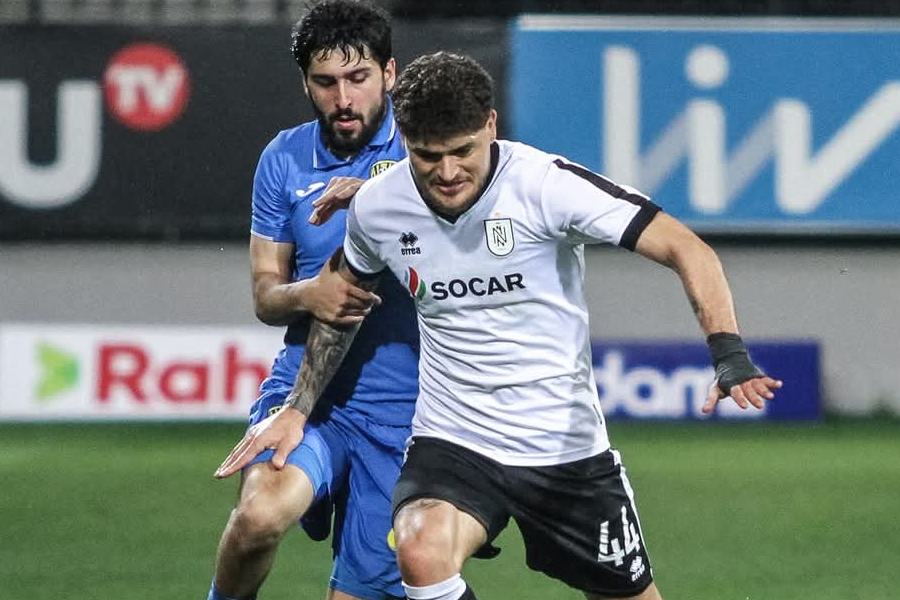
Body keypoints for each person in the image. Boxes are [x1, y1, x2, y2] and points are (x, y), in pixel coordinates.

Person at [216, 52, 783, 600]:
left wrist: (728, 353)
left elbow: (687, 248)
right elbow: (341, 309)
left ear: (490, 126)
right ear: (404, 138)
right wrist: (298, 408)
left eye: (462, 151)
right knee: (418, 546)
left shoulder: (545, 185)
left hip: (563, 449)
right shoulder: (378, 207)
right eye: (428, 156)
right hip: (453, 441)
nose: (447, 173)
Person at [208, 2, 419, 600]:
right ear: (305, 83)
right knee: (257, 519)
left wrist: (378, 193)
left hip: (407, 413)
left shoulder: (427, 152)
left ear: (389, 73)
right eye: (326, 83)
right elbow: (266, 296)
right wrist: (310, 293)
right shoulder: (283, 158)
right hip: (307, 393)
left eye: (358, 78)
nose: (343, 99)